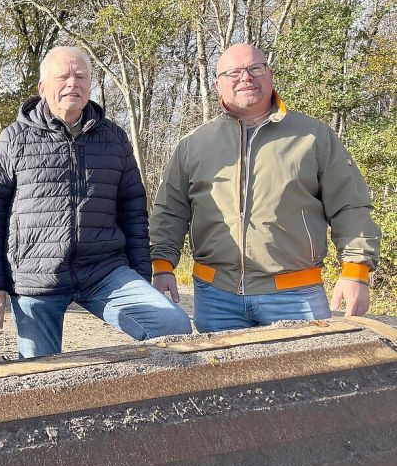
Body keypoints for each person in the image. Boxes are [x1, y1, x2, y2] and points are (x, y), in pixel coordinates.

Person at [0, 46, 192, 358]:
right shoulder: (14, 139)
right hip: (37, 276)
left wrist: (141, 276)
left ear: (90, 85)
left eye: (80, 77)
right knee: (39, 373)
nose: (72, 84)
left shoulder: (114, 138)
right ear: (42, 87)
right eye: (63, 77)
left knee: (172, 326)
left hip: (104, 270)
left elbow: (133, 211)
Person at [150, 43, 381, 332]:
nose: (246, 77)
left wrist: (355, 271)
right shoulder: (193, 144)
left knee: (309, 364)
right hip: (216, 297)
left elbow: (350, 206)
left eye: (255, 68)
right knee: (223, 364)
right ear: (217, 84)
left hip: (296, 295)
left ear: (269, 75)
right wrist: (162, 265)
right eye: (233, 72)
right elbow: (170, 211)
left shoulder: (313, 137)